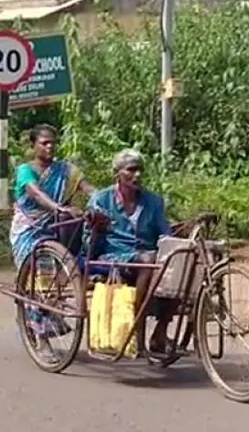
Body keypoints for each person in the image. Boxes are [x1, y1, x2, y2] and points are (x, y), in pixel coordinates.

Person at [10, 123, 95, 360]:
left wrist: (103, 200)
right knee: (40, 279)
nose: (49, 147)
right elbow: (36, 193)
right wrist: (58, 207)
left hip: (58, 228)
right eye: (44, 143)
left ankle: (47, 314)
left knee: (69, 269)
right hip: (29, 230)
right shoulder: (25, 170)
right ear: (33, 145)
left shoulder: (65, 169)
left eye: (52, 143)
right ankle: (42, 339)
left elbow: (87, 187)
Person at [85, 148, 176, 354]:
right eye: (131, 170)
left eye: (140, 170)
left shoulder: (153, 201)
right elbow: (87, 243)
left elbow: (166, 233)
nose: (137, 175)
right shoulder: (101, 200)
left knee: (180, 261)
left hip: (148, 256)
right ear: (118, 173)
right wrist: (96, 227)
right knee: (147, 259)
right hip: (113, 256)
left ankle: (160, 332)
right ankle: (137, 327)